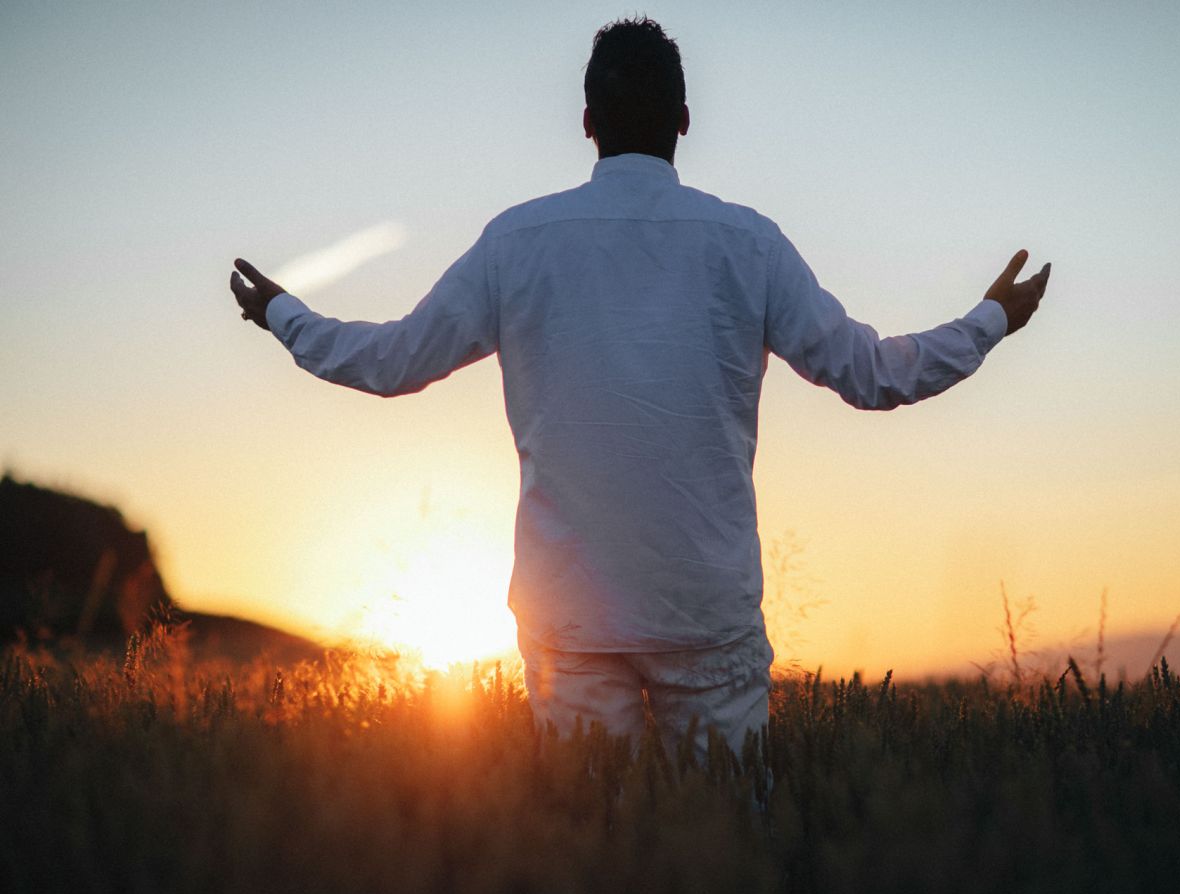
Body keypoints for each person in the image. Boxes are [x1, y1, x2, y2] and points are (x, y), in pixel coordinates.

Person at [230, 17, 1050, 760]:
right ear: (684, 119)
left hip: (570, 617)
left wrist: (283, 314)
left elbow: (392, 362)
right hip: (705, 608)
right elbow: (873, 375)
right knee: (724, 837)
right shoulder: (749, 244)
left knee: (594, 843)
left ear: (586, 122)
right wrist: (989, 321)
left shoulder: (516, 243)